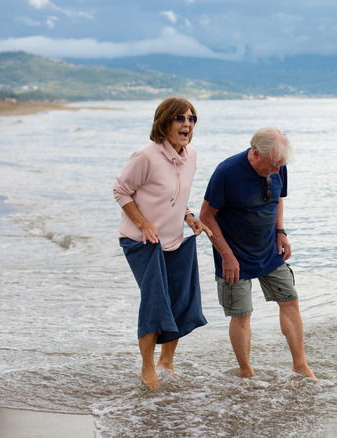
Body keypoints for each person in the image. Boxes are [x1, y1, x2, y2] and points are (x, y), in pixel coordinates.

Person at [199, 127, 315, 379]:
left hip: (269, 250)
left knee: (290, 300)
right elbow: (206, 216)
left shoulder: (277, 164)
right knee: (242, 315)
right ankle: (246, 372)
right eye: (272, 165)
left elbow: (278, 198)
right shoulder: (226, 173)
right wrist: (227, 256)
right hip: (234, 255)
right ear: (254, 153)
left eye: (279, 166)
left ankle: (300, 366)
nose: (275, 171)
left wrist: (281, 231)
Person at [113, 97, 212, 390]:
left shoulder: (191, 154)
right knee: (156, 301)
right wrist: (143, 223)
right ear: (164, 121)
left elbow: (174, 196)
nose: (187, 124)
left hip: (175, 239)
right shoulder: (146, 156)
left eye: (192, 119)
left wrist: (189, 215)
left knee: (180, 301)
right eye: (180, 118)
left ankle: (166, 362)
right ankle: (147, 368)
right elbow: (121, 191)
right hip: (140, 240)